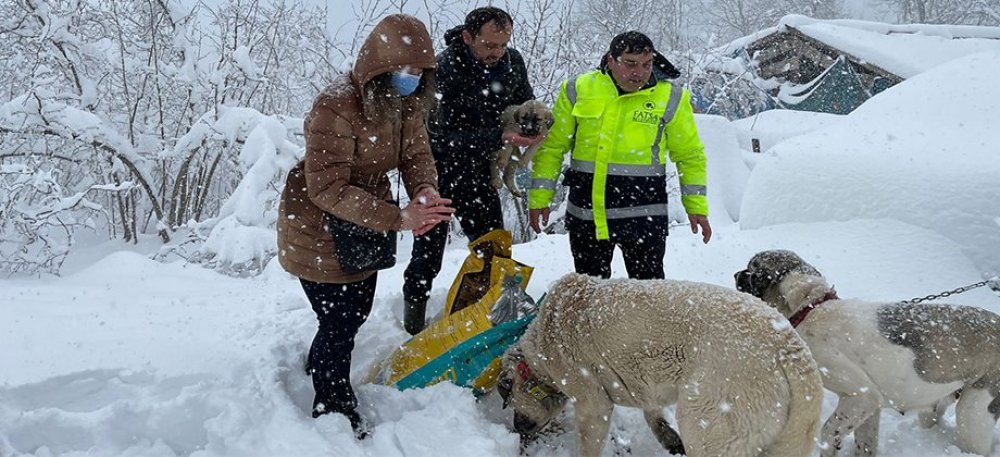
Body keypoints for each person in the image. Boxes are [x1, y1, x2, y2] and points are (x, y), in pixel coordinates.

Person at [276, 14, 454, 438]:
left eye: (418, 72)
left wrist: (424, 189)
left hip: (366, 223)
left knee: (354, 312)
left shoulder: (406, 104)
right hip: (317, 226)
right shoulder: (335, 105)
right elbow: (327, 186)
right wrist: (398, 218)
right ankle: (333, 405)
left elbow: (416, 154)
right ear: (377, 66)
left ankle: (321, 359)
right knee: (339, 320)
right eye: (402, 70)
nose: (410, 78)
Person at [527, 31, 712, 280]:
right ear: (611, 60)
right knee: (590, 297)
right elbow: (552, 148)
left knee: (648, 298)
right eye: (630, 64)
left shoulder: (671, 97)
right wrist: (540, 197)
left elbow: (690, 155)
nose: (639, 72)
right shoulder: (578, 89)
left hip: (644, 217)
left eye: (647, 64)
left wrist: (697, 207)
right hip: (588, 216)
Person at [401, 7, 541, 335]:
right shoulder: (440, 70)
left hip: (482, 174)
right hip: (438, 176)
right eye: (489, 46)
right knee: (428, 254)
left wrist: (532, 121)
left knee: (494, 249)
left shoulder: (512, 62)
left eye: (503, 45)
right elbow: (439, 139)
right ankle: (412, 326)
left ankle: (495, 317)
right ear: (467, 37)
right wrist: (499, 136)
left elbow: (524, 102)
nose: (497, 53)